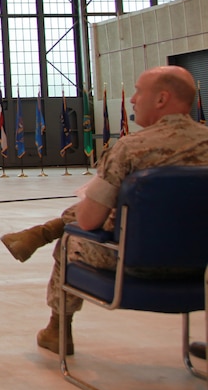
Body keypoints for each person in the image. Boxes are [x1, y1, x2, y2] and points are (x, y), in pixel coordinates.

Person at [26, 65, 208, 355]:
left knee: (72, 238)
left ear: (161, 99)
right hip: (203, 271)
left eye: (138, 91)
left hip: (137, 266)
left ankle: (57, 329)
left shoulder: (129, 149)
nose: (133, 100)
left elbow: (87, 220)